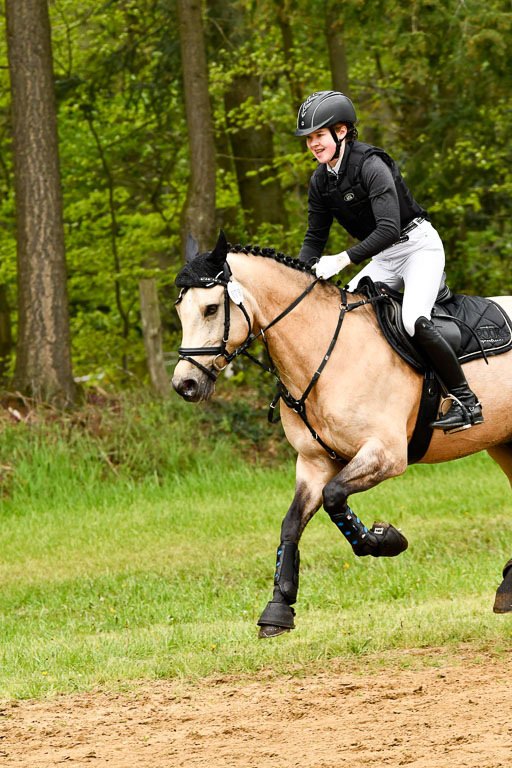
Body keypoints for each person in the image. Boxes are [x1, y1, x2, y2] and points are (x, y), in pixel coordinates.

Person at [295, 90, 483, 433]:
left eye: (319, 135)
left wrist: (341, 260)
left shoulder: (371, 164)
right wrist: (297, 278)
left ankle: (467, 401)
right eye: (308, 139)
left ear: (341, 131)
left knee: (413, 320)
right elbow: (313, 238)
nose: (313, 145)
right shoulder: (321, 181)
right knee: (344, 314)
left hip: (417, 248)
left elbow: (388, 228)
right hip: (385, 256)